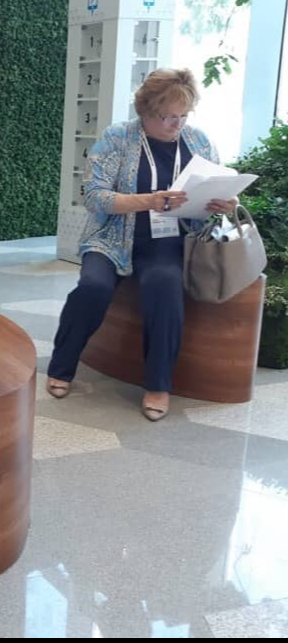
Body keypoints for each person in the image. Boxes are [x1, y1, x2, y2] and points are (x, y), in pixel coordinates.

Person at [46, 68, 237, 421]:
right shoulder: (117, 137)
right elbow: (94, 196)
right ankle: (61, 365)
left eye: (184, 116)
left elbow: (218, 186)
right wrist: (148, 201)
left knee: (165, 286)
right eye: (168, 117)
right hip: (111, 237)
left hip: (169, 243)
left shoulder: (199, 141)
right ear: (146, 111)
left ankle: (158, 384)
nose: (177, 124)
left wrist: (225, 203)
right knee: (93, 287)